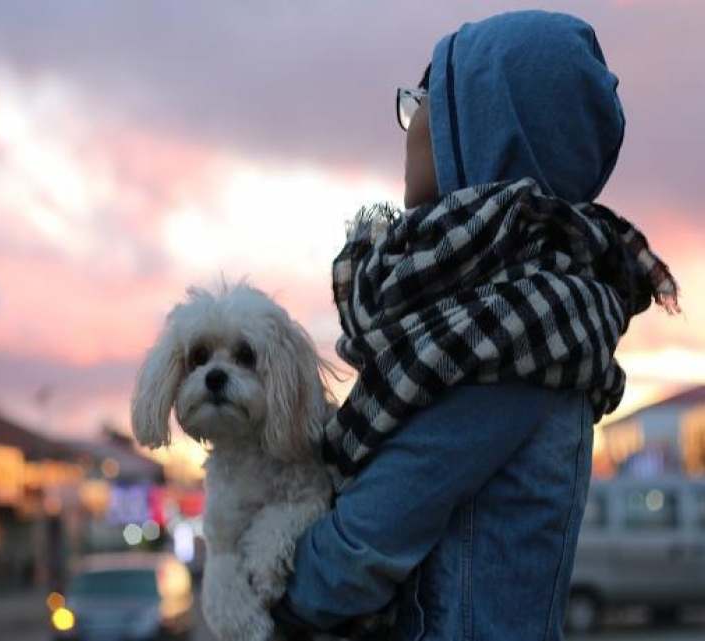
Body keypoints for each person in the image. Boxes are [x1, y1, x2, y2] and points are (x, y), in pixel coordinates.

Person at [267, 10, 679, 640]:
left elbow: (357, 555)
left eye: (426, 97)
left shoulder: (518, 327)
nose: (411, 122)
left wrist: (249, 588)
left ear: (483, 129)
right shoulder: (493, 311)